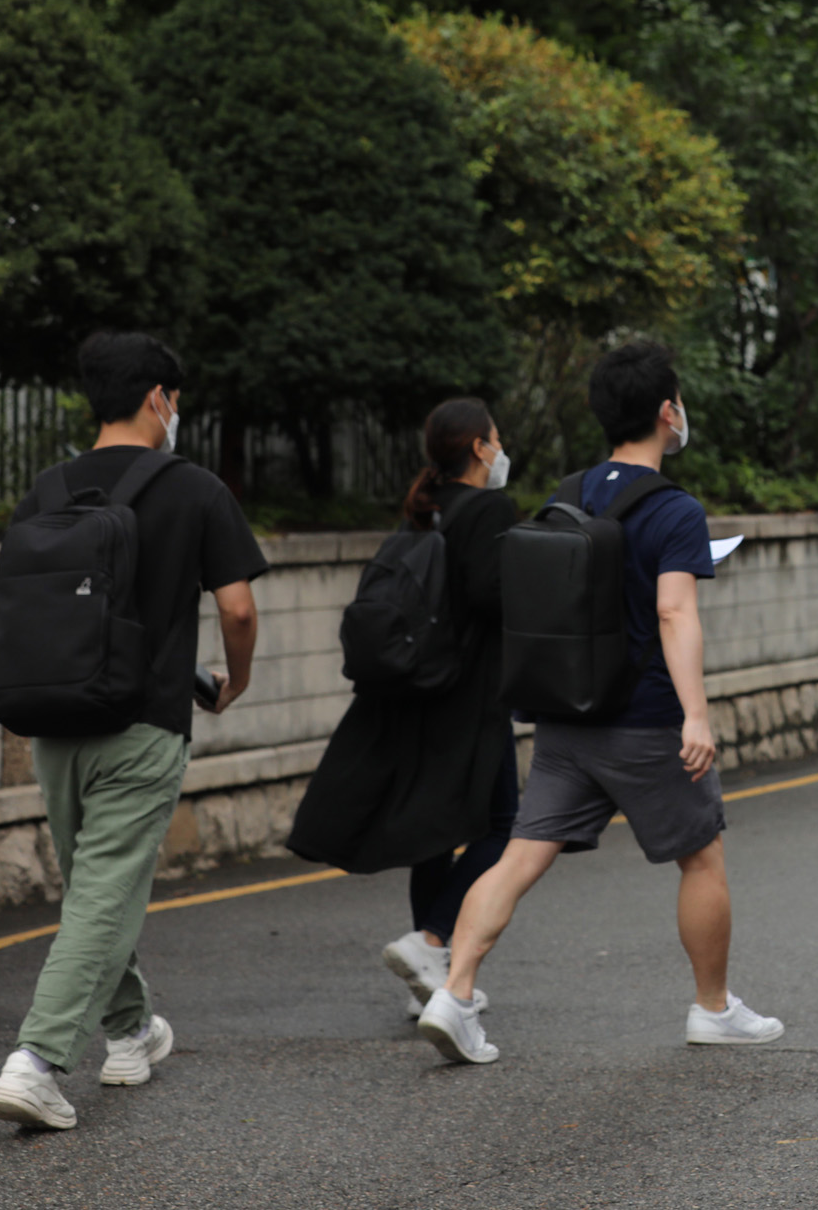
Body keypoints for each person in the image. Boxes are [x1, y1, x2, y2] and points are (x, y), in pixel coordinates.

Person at [414, 341, 781, 1064]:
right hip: (645, 721)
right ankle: (713, 1009)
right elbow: (675, 614)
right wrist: (696, 716)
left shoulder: (566, 492)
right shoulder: (675, 510)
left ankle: (453, 994)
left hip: (563, 716)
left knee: (518, 857)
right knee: (701, 858)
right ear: (668, 413)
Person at [0, 333, 267, 1131]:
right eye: (176, 399)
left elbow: (4, 610)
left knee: (92, 891)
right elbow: (238, 608)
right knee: (103, 896)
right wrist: (234, 681)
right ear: (158, 399)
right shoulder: (196, 490)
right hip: (143, 722)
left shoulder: (48, 489)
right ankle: (34, 1063)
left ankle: (132, 1030)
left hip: (54, 722)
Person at [287, 398, 520, 1018]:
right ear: (478, 448)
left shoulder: (427, 507)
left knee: (436, 832)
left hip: (416, 688)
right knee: (507, 825)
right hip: (470, 696)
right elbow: (492, 598)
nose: (501, 449)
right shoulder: (489, 509)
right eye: (496, 439)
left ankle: (433, 978)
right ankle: (433, 939)